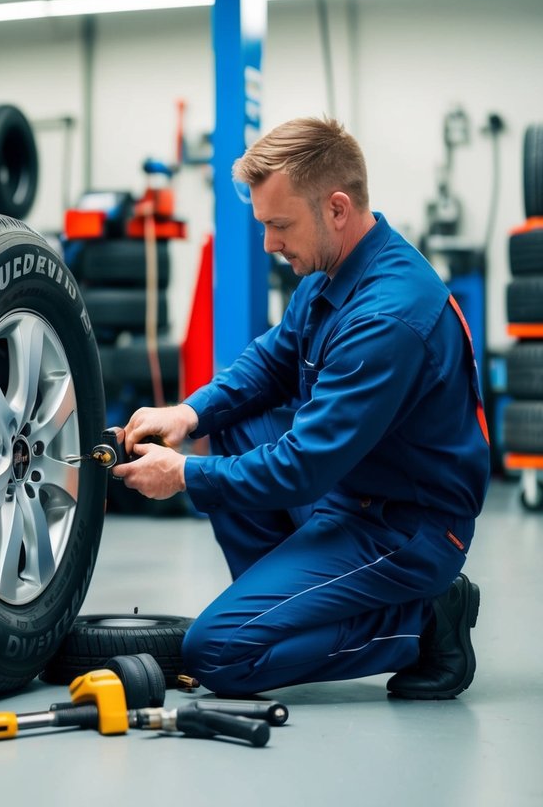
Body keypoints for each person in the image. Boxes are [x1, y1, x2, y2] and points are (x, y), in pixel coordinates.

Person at [112, 116, 491, 699]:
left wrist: (184, 474)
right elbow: (269, 362)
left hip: (404, 528)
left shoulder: (387, 317)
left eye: (279, 225)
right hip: (352, 489)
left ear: (336, 209)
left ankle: (426, 621)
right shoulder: (330, 271)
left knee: (217, 655)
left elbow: (302, 465)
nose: (269, 243)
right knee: (230, 421)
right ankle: (284, 605)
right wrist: (188, 415)